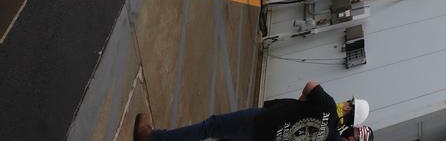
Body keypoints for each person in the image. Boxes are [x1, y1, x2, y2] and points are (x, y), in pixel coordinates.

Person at [132, 81, 366, 140]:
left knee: (211, 126)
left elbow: (310, 86)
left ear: (349, 109)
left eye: (350, 103)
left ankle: (152, 138)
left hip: (261, 122)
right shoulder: (331, 135)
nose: (347, 102)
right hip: (264, 137)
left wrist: (301, 102)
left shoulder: (328, 107)